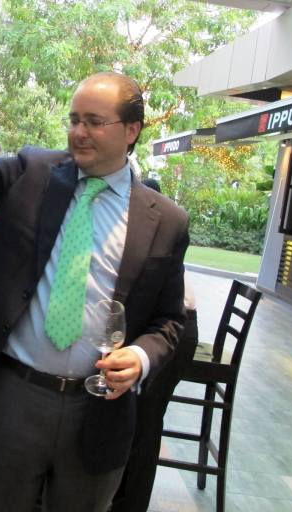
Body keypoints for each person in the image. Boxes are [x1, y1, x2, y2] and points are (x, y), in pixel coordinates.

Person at [0, 47, 190, 511]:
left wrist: (141, 357)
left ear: (131, 130)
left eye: (94, 122)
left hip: (99, 411)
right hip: (16, 398)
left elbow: (169, 320)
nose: (78, 132)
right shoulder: (31, 173)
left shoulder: (165, 221)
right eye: (74, 119)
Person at [111, 180, 199, 512]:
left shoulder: (162, 231)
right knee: (133, 417)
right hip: (155, 324)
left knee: (145, 420)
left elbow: (172, 313)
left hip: (175, 330)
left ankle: (129, 503)